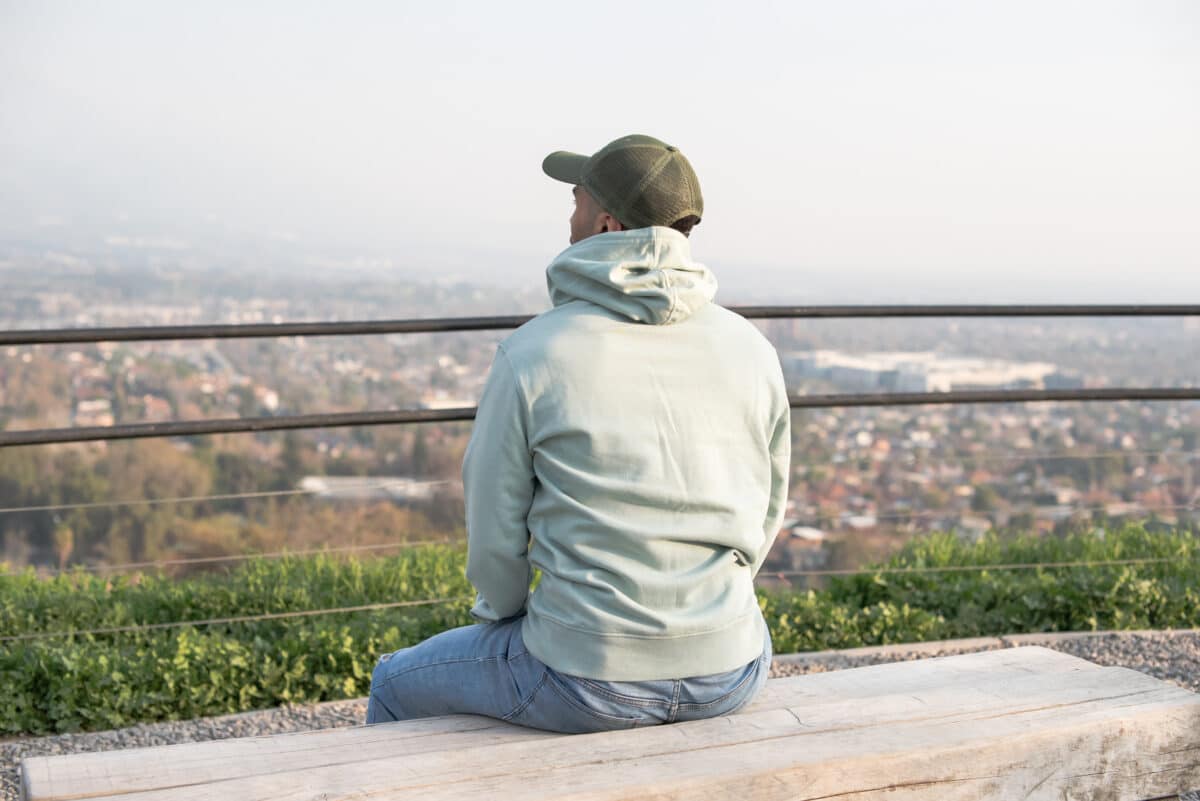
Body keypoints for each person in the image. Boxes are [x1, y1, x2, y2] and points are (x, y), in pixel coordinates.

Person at [366, 134, 791, 733]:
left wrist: (509, 612)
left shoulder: (535, 352)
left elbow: (494, 526)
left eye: (576, 202)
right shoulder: (751, 349)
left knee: (393, 683)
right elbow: (768, 503)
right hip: (732, 664)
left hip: (586, 675)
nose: (568, 219)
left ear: (605, 225)